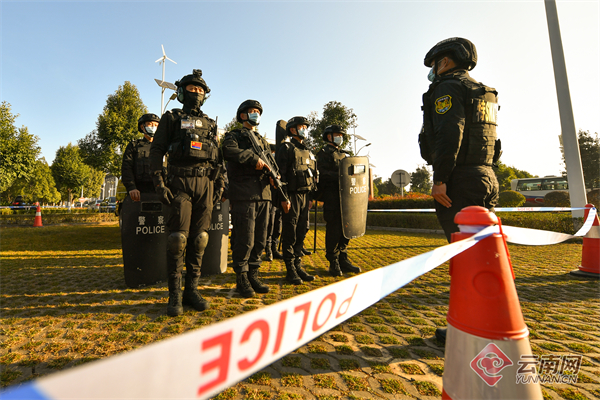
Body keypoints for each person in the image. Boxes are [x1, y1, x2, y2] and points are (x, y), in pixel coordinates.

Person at [419, 38, 500, 341]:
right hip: (485, 175)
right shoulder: (483, 92)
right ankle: (487, 321)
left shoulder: (449, 88)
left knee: (465, 258)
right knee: (483, 256)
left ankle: (470, 329)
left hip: (460, 181)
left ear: (446, 61)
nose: (433, 70)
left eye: (435, 64)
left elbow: (450, 133)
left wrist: (440, 178)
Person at [149, 69, 225, 316]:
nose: (197, 93)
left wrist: (220, 183)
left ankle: (192, 290)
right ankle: (175, 294)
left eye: (200, 90)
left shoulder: (211, 124)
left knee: (200, 239)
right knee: (177, 240)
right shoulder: (171, 118)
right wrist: (159, 183)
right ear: (182, 92)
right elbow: (156, 151)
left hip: (206, 185)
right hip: (179, 182)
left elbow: (218, 158)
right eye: (192, 89)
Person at [221, 100, 272, 298]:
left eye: (258, 111)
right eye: (252, 111)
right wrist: (253, 159)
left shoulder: (261, 140)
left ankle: (253, 274)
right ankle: (241, 277)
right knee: (245, 238)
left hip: (264, 194)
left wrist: (273, 178)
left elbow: (269, 162)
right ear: (242, 115)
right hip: (244, 194)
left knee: (260, 238)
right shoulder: (234, 136)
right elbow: (228, 151)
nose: (255, 114)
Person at [275, 116, 317, 285]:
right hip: (291, 196)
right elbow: (281, 175)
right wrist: (284, 198)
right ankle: (290, 268)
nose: (304, 130)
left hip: (305, 196)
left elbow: (312, 175)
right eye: (301, 127)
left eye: (305, 127)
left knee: (302, 231)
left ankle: (298, 265)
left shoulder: (308, 151)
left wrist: (311, 197)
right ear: (292, 129)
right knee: (290, 233)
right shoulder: (286, 148)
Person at [316, 125, 361, 277]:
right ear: (329, 136)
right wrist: (340, 176)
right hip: (332, 197)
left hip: (347, 198)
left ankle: (343, 258)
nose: (340, 137)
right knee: (334, 230)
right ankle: (333, 261)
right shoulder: (323, 153)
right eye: (337, 135)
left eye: (341, 135)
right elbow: (321, 173)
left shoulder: (345, 155)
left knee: (346, 230)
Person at [121, 113, 161, 202]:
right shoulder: (134, 146)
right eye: (150, 124)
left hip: (161, 193)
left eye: (156, 125)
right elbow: (126, 168)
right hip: (139, 193)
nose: (153, 127)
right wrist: (131, 187)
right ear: (142, 127)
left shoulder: (164, 147)